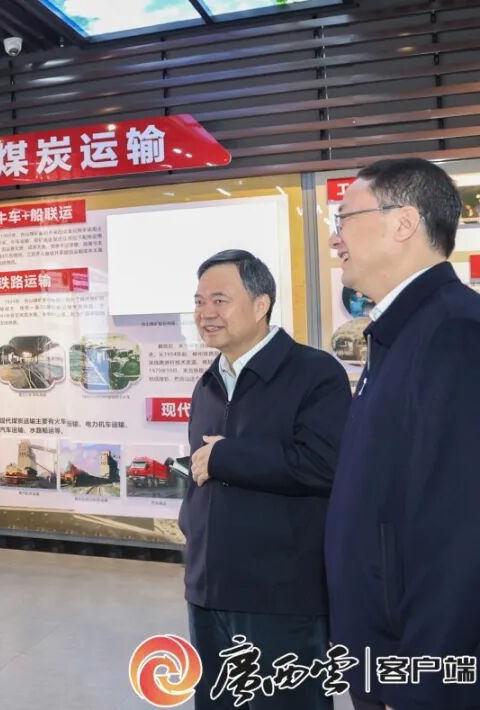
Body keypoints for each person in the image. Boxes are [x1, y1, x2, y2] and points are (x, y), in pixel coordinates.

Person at [325, 158, 480, 710]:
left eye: (344, 219)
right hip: (384, 652)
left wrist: (422, 681)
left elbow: (460, 535)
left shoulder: (455, 334)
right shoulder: (403, 330)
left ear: (404, 222)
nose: (335, 238)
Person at [179, 249, 351, 709]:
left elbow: (325, 463)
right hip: (208, 591)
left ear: (261, 304)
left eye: (219, 300)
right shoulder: (209, 382)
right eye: (199, 301)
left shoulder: (314, 373)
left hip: (281, 596)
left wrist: (227, 457)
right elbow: (199, 473)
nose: (205, 313)